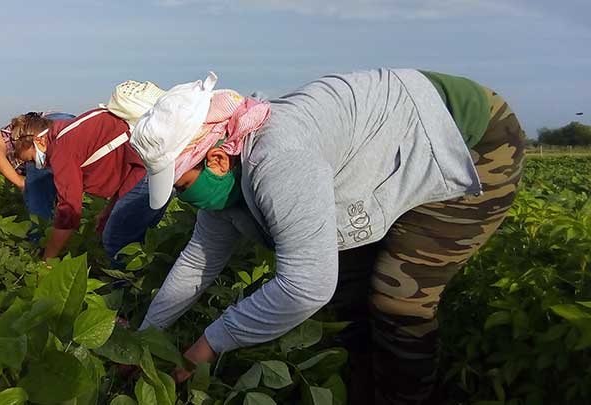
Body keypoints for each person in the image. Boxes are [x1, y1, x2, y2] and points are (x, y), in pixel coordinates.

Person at [130, 69, 525, 405]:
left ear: (216, 159)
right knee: (349, 292)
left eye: (181, 186)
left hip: (467, 137)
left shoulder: (278, 158)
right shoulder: (228, 162)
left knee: (397, 297)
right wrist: (144, 338)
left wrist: (210, 343)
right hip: (398, 137)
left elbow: (305, 288)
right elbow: (198, 261)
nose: (183, 198)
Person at [9, 107, 168, 264]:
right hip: (160, 163)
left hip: (151, 171)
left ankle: (130, 287)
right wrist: (108, 211)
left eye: (31, 159)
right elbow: (124, 164)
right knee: (134, 236)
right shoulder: (69, 129)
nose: (37, 166)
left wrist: (47, 260)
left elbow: (69, 213)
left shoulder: (61, 149)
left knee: (115, 240)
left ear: (39, 140)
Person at [0, 111, 76, 220]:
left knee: (38, 196)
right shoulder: (19, 130)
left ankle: (41, 232)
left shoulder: (21, 140)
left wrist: (21, 183)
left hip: (50, 126)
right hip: (69, 120)